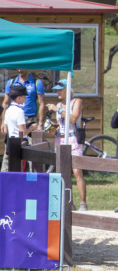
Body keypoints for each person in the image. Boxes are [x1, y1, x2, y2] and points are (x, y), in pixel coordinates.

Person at [46, 79, 87, 210]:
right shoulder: (59, 105)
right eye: (57, 90)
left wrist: (57, 109)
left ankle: (83, 203)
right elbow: (61, 124)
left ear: (68, 90)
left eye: (60, 90)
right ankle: (69, 203)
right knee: (63, 173)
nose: (58, 92)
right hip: (61, 139)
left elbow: (73, 118)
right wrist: (52, 129)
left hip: (73, 138)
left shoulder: (76, 101)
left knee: (77, 171)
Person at [0, 84, 30, 172]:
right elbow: (22, 132)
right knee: (21, 169)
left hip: (10, 142)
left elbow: (5, 130)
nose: (25, 98)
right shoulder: (20, 112)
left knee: (9, 168)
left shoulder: (8, 110)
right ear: (18, 98)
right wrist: (32, 128)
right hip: (20, 143)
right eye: (24, 96)